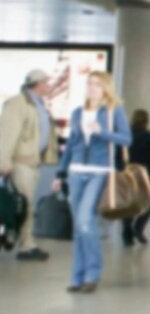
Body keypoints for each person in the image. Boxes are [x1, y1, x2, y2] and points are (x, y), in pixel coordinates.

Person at [52, 71, 131, 293]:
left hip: (99, 171)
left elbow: (126, 138)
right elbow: (71, 146)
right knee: (79, 226)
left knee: (86, 221)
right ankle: (77, 278)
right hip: (76, 171)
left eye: (97, 84)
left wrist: (103, 132)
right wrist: (60, 174)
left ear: (106, 87)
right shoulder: (78, 113)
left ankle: (92, 274)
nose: (92, 88)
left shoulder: (114, 111)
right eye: (89, 84)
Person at [0, 69, 59, 261]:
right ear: (38, 83)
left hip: (33, 162)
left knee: (26, 204)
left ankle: (25, 242)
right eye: (47, 83)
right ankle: (26, 245)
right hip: (20, 162)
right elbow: (7, 134)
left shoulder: (38, 104)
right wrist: (4, 161)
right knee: (24, 205)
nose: (49, 86)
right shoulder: (18, 104)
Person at [122, 109, 150, 246]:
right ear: (146, 121)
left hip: (129, 172)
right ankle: (138, 227)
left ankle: (126, 234)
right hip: (147, 174)